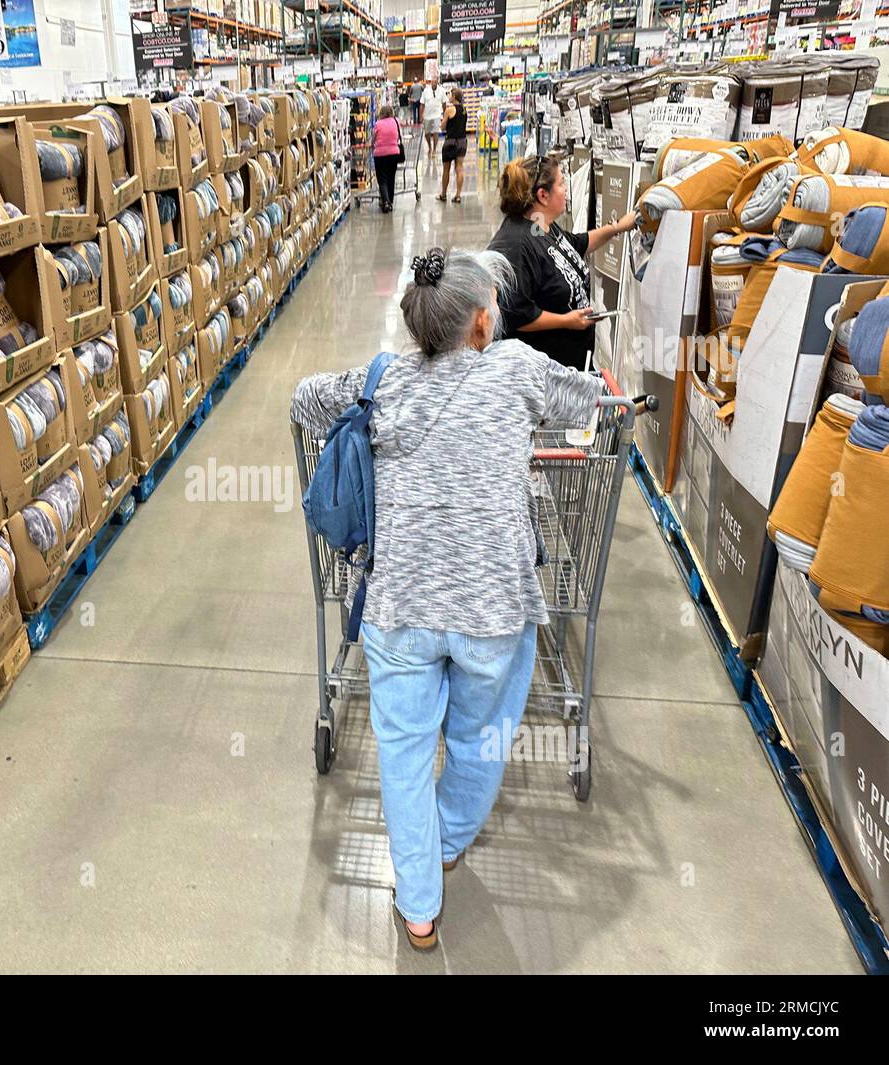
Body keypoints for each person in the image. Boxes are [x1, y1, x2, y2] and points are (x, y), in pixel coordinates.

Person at [289, 248, 604, 952]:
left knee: (401, 751)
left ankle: (420, 901)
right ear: (485, 322)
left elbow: (305, 401)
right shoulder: (518, 369)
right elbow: (591, 401)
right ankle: (452, 836)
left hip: (400, 604)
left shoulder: (385, 378)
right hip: (492, 605)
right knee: (479, 738)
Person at [488, 155, 638, 370]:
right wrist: (566, 321)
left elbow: (575, 244)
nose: (566, 188)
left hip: (570, 363)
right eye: (561, 183)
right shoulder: (516, 245)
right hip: (545, 375)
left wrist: (617, 228)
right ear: (543, 195)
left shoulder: (538, 225)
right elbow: (515, 315)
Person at [435, 89, 467, 204]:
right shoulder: (464, 109)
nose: (448, 96)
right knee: (459, 168)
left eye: (450, 94)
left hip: (450, 142)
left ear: (454, 96)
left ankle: (443, 194)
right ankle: (458, 195)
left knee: (446, 169)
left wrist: (442, 122)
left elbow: (443, 127)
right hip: (462, 141)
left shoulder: (449, 110)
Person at [371, 105, 404, 213]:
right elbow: (399, 137)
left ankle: (385, 201)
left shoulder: (378, 124)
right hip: (394, 153)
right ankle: (390, 201)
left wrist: (373, 145)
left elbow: (374, 139)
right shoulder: (396, 121)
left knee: (382, 179)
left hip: (380, 155)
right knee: (391, 178)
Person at [419, 79, 443, 156]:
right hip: (427, 115)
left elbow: (444, 102)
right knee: (427, 133)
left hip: (437, 115)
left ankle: (434, 149)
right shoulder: (425, 91)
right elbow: (422, 104)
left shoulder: (441, 91)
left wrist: (445, 114)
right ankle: (430, 147)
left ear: (437, 83)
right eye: (432, 82)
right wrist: (421, 116)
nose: (434, 83)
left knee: (436, 132)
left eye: (435, 82)